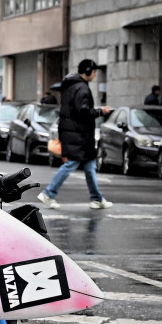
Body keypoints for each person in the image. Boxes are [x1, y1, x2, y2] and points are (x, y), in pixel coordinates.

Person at [37, 59, 113, 210]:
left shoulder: (71, 86)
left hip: (75, 132)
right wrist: (100, 111)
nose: (95, 74)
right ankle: (49, 193)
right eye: (94, 71)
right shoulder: (82, 88)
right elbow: (83, 111)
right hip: (79, 134)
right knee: (71, 163)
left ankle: (96, 198)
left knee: (90, 166)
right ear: (88, 71)